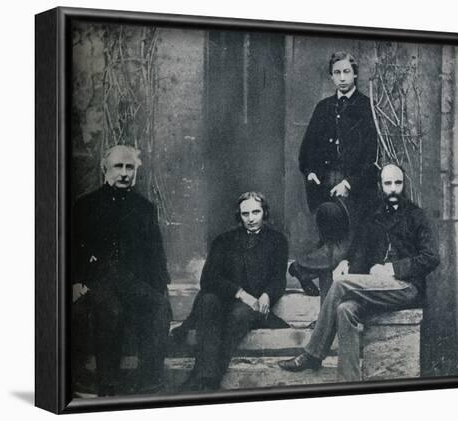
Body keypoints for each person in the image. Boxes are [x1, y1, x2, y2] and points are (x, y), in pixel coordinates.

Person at [279, 164, 439, 382]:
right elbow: (360, 250)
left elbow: (431, 258)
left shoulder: (415, 216)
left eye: (398, 183)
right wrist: (346, 262)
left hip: (407, 287)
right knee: (345, 310)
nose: (393, 189)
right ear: (381, 186)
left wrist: (392, 269)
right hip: (376, 287)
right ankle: (349, 383)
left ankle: (313, 354)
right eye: (388, 183)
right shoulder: (374, 215)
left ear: (404, 185)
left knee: (341, 285)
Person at [71, 145, 172, 396]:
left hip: (134, 282)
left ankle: (149, 382)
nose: (124, 173)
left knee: (159, 307)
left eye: (130, 167)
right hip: (99, 281)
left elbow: (156, 255)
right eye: (118, 167)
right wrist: (75, 281)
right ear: (105, 170)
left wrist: (160, 288)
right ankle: (108, 385)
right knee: (111, 310)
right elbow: (71, 250)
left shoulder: (144, 208)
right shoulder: (86, 205)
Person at [180, 192, 288, 391]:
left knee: (239, 314)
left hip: (253, 304)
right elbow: (209, 278)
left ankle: (206, 378)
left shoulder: (277, 240)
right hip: (226, 298)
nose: (251, 218)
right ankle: (208, 378)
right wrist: (239, 293)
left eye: (256, 212)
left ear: (265, 212)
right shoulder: (224, 240)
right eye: (245, 213)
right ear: (239, 216)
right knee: (208, 301)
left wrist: (267, 295)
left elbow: (278, 278)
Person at [293, 51, 378, 297]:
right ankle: (315, 287)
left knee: (346, 244)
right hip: (324, 186)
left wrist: (349, 183)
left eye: (346, 72)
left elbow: (372, 156)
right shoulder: (323, 108)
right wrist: (310, 171)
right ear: (331, 77)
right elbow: (307, 149)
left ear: (355, 74)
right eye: (337, 73)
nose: (342, 78)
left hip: (356, 188)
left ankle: (302, 268)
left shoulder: (365, 108)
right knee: (332, 241)